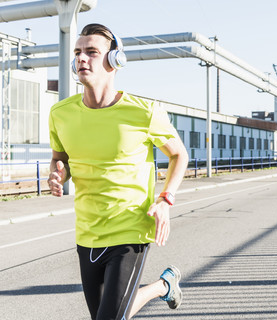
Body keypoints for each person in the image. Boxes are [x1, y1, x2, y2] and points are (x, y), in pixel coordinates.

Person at [47, 23, 189, 320]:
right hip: (87, 231)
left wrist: (166, 199)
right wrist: (57, 173)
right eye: (77, 52)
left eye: (92, 52)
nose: (81, 58)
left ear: (115, 60)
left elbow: (179, 155)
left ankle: (161, 286)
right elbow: (61, 158)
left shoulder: (144, 113)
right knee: (108, 314)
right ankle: (163, 286)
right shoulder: (60, 114)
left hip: (130, 229)